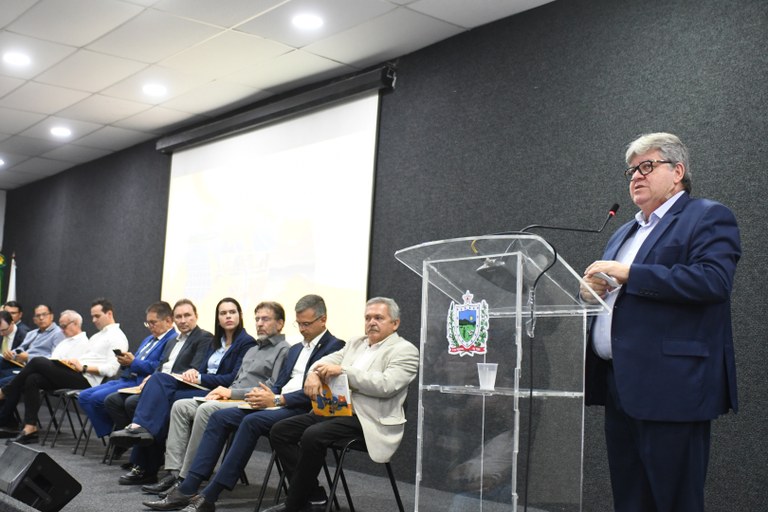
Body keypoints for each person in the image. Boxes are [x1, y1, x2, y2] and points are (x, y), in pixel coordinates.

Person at [580, 133, 741, 512]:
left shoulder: (707, 216)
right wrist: (590, 293)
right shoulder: (624, 232)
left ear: (677, 171)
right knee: (630, 501)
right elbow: (615, 294)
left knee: (674, 501)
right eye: (632, 170)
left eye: (647, 166)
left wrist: (631, 273)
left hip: (672, 387)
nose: (636, 176)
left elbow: (713, 281)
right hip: (620, 384)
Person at [143, 294, 345, 511]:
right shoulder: (296, 349)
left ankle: (210, 495)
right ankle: (188, 486)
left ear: (323, 320)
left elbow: (319, 392)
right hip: (277, 401)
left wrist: (277, 398)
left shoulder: (335, 347)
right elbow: (278, 383)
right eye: (300, 324)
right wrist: (266, 395)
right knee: (219, 417)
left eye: (307, 324)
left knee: (251, 422)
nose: (302, 329)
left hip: (301, 407)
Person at [258, 297, 419, 512]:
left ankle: (294, 505)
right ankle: (313, 496)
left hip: (369, 419)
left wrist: (344, 371)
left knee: (313, 435)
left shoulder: (405, 350)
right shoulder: (356, 343)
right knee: (280, 430)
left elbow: (386, 385)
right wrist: (313, 374)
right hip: (339, 411)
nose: (371, 322)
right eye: (368, 318)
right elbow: (323, 361)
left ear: (395, 323)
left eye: (379, 318)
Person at [141, 300, 294, 496]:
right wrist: (221, 392)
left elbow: (271, 388)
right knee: (180, 406)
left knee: (205, 409)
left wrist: (230, 393)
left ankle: (186, 478)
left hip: (251, 401)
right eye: (257, 319)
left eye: (265, 319)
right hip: (230, 396)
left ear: (280, 323)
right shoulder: (252, 349)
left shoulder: (284, 349)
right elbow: (235, 380)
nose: (259, 323)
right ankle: (173, 472)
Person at [111, 297, 257, 485]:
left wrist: (199, 377)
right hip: (200, 386)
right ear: (218, 317)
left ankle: (147, 464)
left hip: (218, 392)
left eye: (232, 312)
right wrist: (196, 373)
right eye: (223, 313)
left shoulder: (246, 343)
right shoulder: (216, 341)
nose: (228, 316)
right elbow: (200, 369)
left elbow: (231, 378)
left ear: (240, 315)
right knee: (158, 380)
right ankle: (143, 445)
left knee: (160, 403)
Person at [0, 305, 128, 444]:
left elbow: (112, 369)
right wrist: (72, 363)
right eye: (92, 316)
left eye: (97, 316)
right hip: (76, 373)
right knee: (32, 378)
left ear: (109, 313)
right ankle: (30, 428)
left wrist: (83, 367)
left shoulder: (117, 337)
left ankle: (5, 391)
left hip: (86, 379)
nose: (93, 320)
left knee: (37, 361)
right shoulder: (96, 336)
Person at [104, 299, 213, 438]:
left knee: (132, 402)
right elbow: (160, 366)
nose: (183, 320)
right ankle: (138, 444)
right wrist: (151, 378)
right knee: (115, 400)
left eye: (187, 315)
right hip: (159, 383)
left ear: (196, 316)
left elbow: (195, 369)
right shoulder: (172, 341)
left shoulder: (204, 337)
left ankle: (141, 432)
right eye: (178, 317)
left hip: (179, 385)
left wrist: (156, 377)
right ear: (173, 319)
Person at [79, 301, 178, 441]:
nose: (150, 326)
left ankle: (118, 439)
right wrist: (125, 361)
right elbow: (135, 361)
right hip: (126, 378)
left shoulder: (172, 340)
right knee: (84, 396)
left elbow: (159, 367)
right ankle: (113, 435)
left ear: (168, 321)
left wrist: (133, 362)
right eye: (147, 323)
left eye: (153, 323)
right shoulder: (149, 339)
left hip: (139, 382)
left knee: (97, 399)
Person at [0, 304, 65, 386]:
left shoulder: (58, 333)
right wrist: (11, 353)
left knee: (4, 380)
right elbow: (21, 348)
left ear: (51, 316)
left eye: (44, 314)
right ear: (34, 320)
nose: (41, 318)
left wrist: (28, 357)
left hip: (37, 369)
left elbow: (55, 358)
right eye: (38, 316)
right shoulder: (31, 333)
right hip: (21, 365)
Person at [0, 310, 28, 384]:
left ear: (12, 323)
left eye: (4, 330)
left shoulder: (25, 335)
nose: (1, 334)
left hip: (17, 368)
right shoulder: (1, 331)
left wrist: (14, 356)